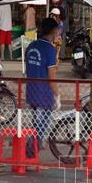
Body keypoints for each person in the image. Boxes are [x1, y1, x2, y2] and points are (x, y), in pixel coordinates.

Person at [25, 17, 61, 157]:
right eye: (57, 29)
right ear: (54, 30)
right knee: (41, 127)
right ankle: (30, 154)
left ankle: (30, 152)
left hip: (31, 91)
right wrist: (57, 95)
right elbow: (51, 76)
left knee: (36, 125)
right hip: (44, 93)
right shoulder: (50, 49)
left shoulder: (31, 46)